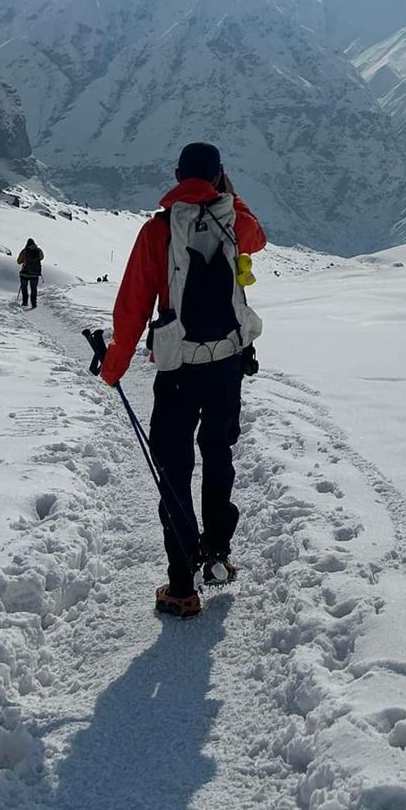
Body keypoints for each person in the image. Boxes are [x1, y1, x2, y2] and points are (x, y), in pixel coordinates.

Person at [98, 142, 266, 619]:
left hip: (177, 370)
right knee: (218, 455)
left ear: (176, 174)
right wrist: (230, 195)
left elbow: (132, 306)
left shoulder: (157, 231)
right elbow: (259, 239)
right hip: (228, 363)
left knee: (174, 467)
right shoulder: (238, 223)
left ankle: (180, 586)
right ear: (218, 177)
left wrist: (115, 366)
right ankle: (217, 553)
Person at [16, 239, 44, 307]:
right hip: (35, 274)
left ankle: (25, 302)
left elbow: (19, 261)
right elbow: (42, 257)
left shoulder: (25, 251)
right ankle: (34, 303)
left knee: (24, 288)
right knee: (34, 289)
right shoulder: (39, 250)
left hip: (25, 273)